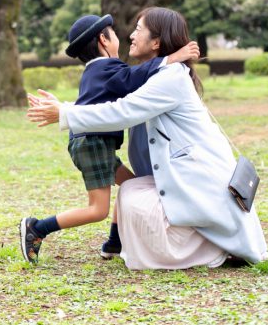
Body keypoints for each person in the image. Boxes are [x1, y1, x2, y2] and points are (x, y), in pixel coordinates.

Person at [27, 7, 268, 269]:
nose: (131, 36)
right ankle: (120, 242)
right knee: (131, 191)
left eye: (138, 30)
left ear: (156, 42)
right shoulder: (154, 75)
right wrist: (66, 108)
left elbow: (122, 111)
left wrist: (65, 113)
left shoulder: (169, 78)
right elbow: (106, 98)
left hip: (200, 186)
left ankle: (220, 245)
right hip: (187, 184)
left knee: (131, 195)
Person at [19, 13, 199, 263]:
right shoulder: (108, 67)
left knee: (131, 185)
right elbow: (133, 79)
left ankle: (114, 243)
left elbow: (93, 103)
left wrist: (63, 107)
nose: (125, 37)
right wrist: (172, 58)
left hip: (91, 143)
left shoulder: (95, 71)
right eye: (114, 34)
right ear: (104, 39)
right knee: (97, 209)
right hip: (94, 144)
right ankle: (37, 229)